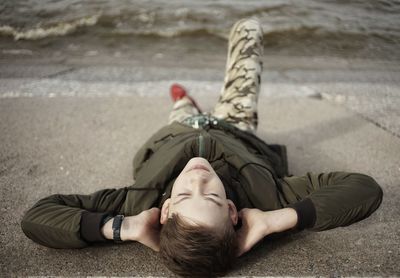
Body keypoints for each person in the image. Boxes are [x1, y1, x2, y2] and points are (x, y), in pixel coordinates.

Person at [21, 18, 383, 277]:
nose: (197, 179)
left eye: (182, 197)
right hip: (234, 125)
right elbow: (363, 189)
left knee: (180, 109)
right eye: (210, 198)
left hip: (175, 132)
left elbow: (37, 217)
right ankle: (190, 102)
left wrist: (124, 228)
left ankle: (183, 100)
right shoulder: (269, 197)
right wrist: (275, 220)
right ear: (232, 211)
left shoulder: (135, 205)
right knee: (249, 28)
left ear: (163, 211)